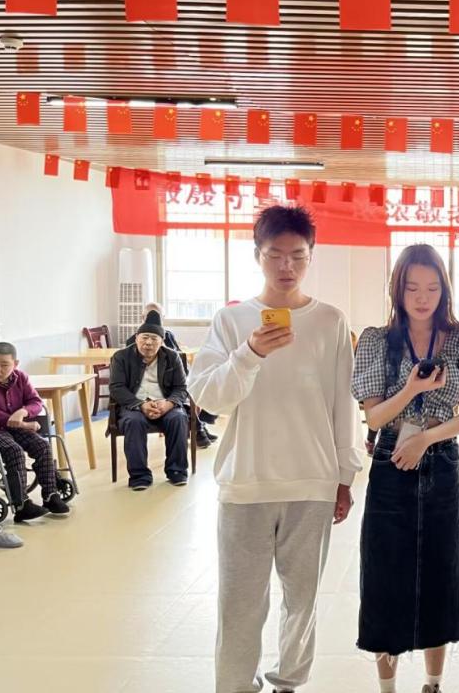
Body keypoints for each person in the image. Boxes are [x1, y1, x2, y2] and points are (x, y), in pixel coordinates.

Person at [187, 205, 362, 693]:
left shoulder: (330, 320)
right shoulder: (231, 320)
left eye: (298, 256)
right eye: (275, 255)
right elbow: (209, 397)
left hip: (312, 483)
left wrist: (345, 475)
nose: (287, 266)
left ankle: (289, 682)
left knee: (302, 600)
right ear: (257, 255)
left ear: (311, 256)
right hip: (246, 483)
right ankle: (234, 685)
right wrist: (250, 353)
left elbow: (342, 404)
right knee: (239, 602)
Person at [352, 244, 459, 693]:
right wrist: (411, 389)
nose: (422, 297)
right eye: (412, 288)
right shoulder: (377, 340)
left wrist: (426, 439)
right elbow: (374, 418)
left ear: (445, 289)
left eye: (432, 287)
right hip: (391, 459)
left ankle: (433, 683)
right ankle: (387, 687)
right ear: (398, 290)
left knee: (440, 569)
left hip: (441, 457)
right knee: (384, 571)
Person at [108, 311, 191, 491]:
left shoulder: (172, 357)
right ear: (136, 338)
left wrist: (168, 404)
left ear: (162, 341)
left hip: (165, 403)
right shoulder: (121, 357)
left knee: (178, 418)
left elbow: (181, 387)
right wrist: (141, 405)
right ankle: (139, 476)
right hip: (134, 405)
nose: (148, 343)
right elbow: (116, 387)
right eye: (144, 337)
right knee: (133, 421)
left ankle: (177, 471)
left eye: (154, 338)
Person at [127, 302, 219, 448]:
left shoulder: (168, 335)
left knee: (196, 386)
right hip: (151, 387)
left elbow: (179, 358)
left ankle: (199, 426)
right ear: (142, 318)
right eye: (149, 316)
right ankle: (198, 429)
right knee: (182, 392)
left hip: (173, 380)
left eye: (159, 317)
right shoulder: (134, 340)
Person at [0, 342, 71, 521]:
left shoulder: (21, 378)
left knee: (42, 446)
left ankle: (50, 495)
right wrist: (23, 424)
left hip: (17, 426)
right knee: (13, 450)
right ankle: (21, 504)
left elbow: (36, 402)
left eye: (4, 365)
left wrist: (23, 412)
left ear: (16, 363)